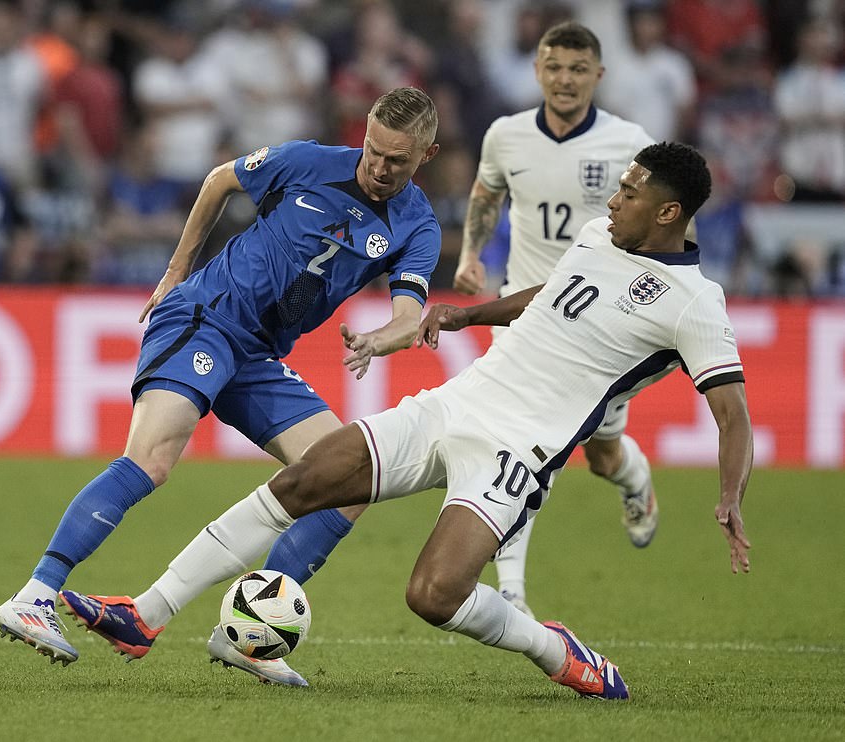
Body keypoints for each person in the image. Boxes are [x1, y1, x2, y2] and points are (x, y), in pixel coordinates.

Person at [59, 142, 753, 699]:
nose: (615, 199)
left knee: (433, 595)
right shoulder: (602, 235)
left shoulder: (694, 304)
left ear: (669, 213)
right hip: (460, 400)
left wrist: (728, 497)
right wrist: (469, 314)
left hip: (515, 450)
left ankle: (555, 650)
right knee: (307, 479)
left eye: (631, 192)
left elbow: (732, 413)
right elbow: (556, 295)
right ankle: (145, 616)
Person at [0, 87, 442, 683]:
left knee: (350, 480)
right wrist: (178, 270)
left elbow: (411, 314)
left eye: (398, 161)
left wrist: (385, 336)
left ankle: (247, 638)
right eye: (374, 151)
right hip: (207, 316)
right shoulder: (309, 161)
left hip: (258, 354)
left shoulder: (418, 223)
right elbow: (219, 180)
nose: (380, 169)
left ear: (427, 156)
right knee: (151, 458)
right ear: (364, 131)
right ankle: (35, 595)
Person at [264, 21, 658, 618]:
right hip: (522, 318)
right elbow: (484, 196)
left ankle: (634, 481)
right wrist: (471, 256)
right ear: (538, 72)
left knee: (602, 454)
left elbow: (660, 224)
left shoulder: (631, 142)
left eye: (578, 70)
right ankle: (514, 593)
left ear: (597, 76)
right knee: (520, 449)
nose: (565, 80)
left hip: (596, 327)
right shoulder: (506, 135)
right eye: (554, 67)